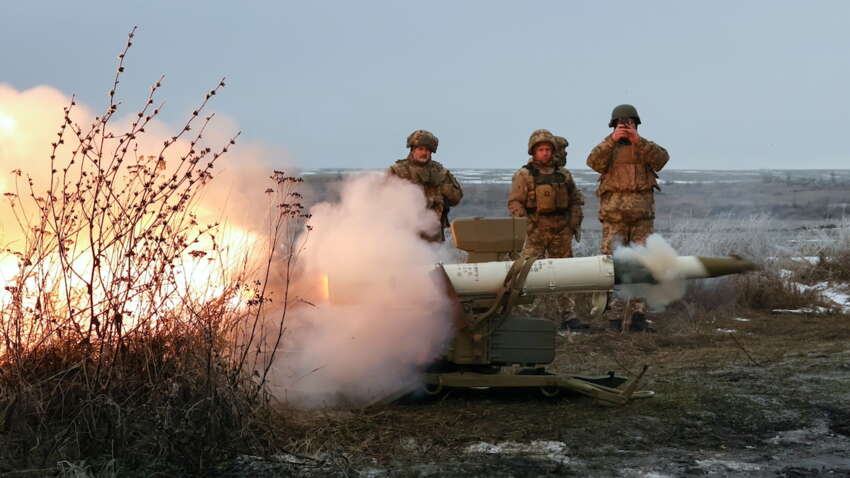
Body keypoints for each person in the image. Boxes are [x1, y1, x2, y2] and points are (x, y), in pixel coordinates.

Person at [586, 104, 669, 332]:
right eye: (621, 123)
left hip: (642, 219)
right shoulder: (607, 148)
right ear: (614, 125)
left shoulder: (644, 147)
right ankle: (613, 318)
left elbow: (662, 159)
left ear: (636, 124)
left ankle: (638, 317)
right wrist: (612, 140)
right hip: (614, 219)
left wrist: (637, 140)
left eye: (629, 123)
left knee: (642, 266)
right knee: (613, 269)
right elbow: (593, 162)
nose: (625, 127)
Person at [508, 129, 584, 334]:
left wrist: (572, 223)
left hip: (560, 231)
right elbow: (515, 202)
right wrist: (526, 224)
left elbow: (575, 200)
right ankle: (524, 313)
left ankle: (569, 315)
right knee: (526, 273)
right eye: (541, 149)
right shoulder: (524, 175)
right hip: (535, 231)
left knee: (564, 274)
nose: (545, 153)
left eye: (548, 149)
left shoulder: (564, 175)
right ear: (533, 151)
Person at [388, 130, 463, 242]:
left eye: (428, 150)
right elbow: (384, 200)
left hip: (433, 233)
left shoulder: (440, 171)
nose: (424, 153)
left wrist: (442, 187)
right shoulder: (398, 171)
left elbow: (456, 198)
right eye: (421, 149)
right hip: (405, 233)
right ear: (413, 149)